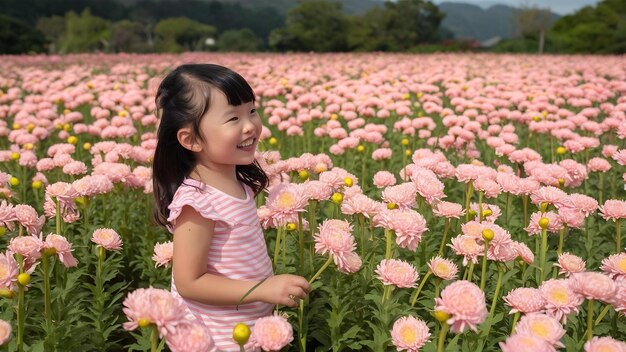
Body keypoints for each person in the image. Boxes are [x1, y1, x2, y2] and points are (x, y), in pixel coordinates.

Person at [152, 64, 310, 351]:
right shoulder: (197, 202)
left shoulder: (237, 183)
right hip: (214, 338)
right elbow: (189, 282)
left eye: (251, 111)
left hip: (246, 329)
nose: (250, 125)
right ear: (192, 139)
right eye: (233, 118)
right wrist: (262, 289)